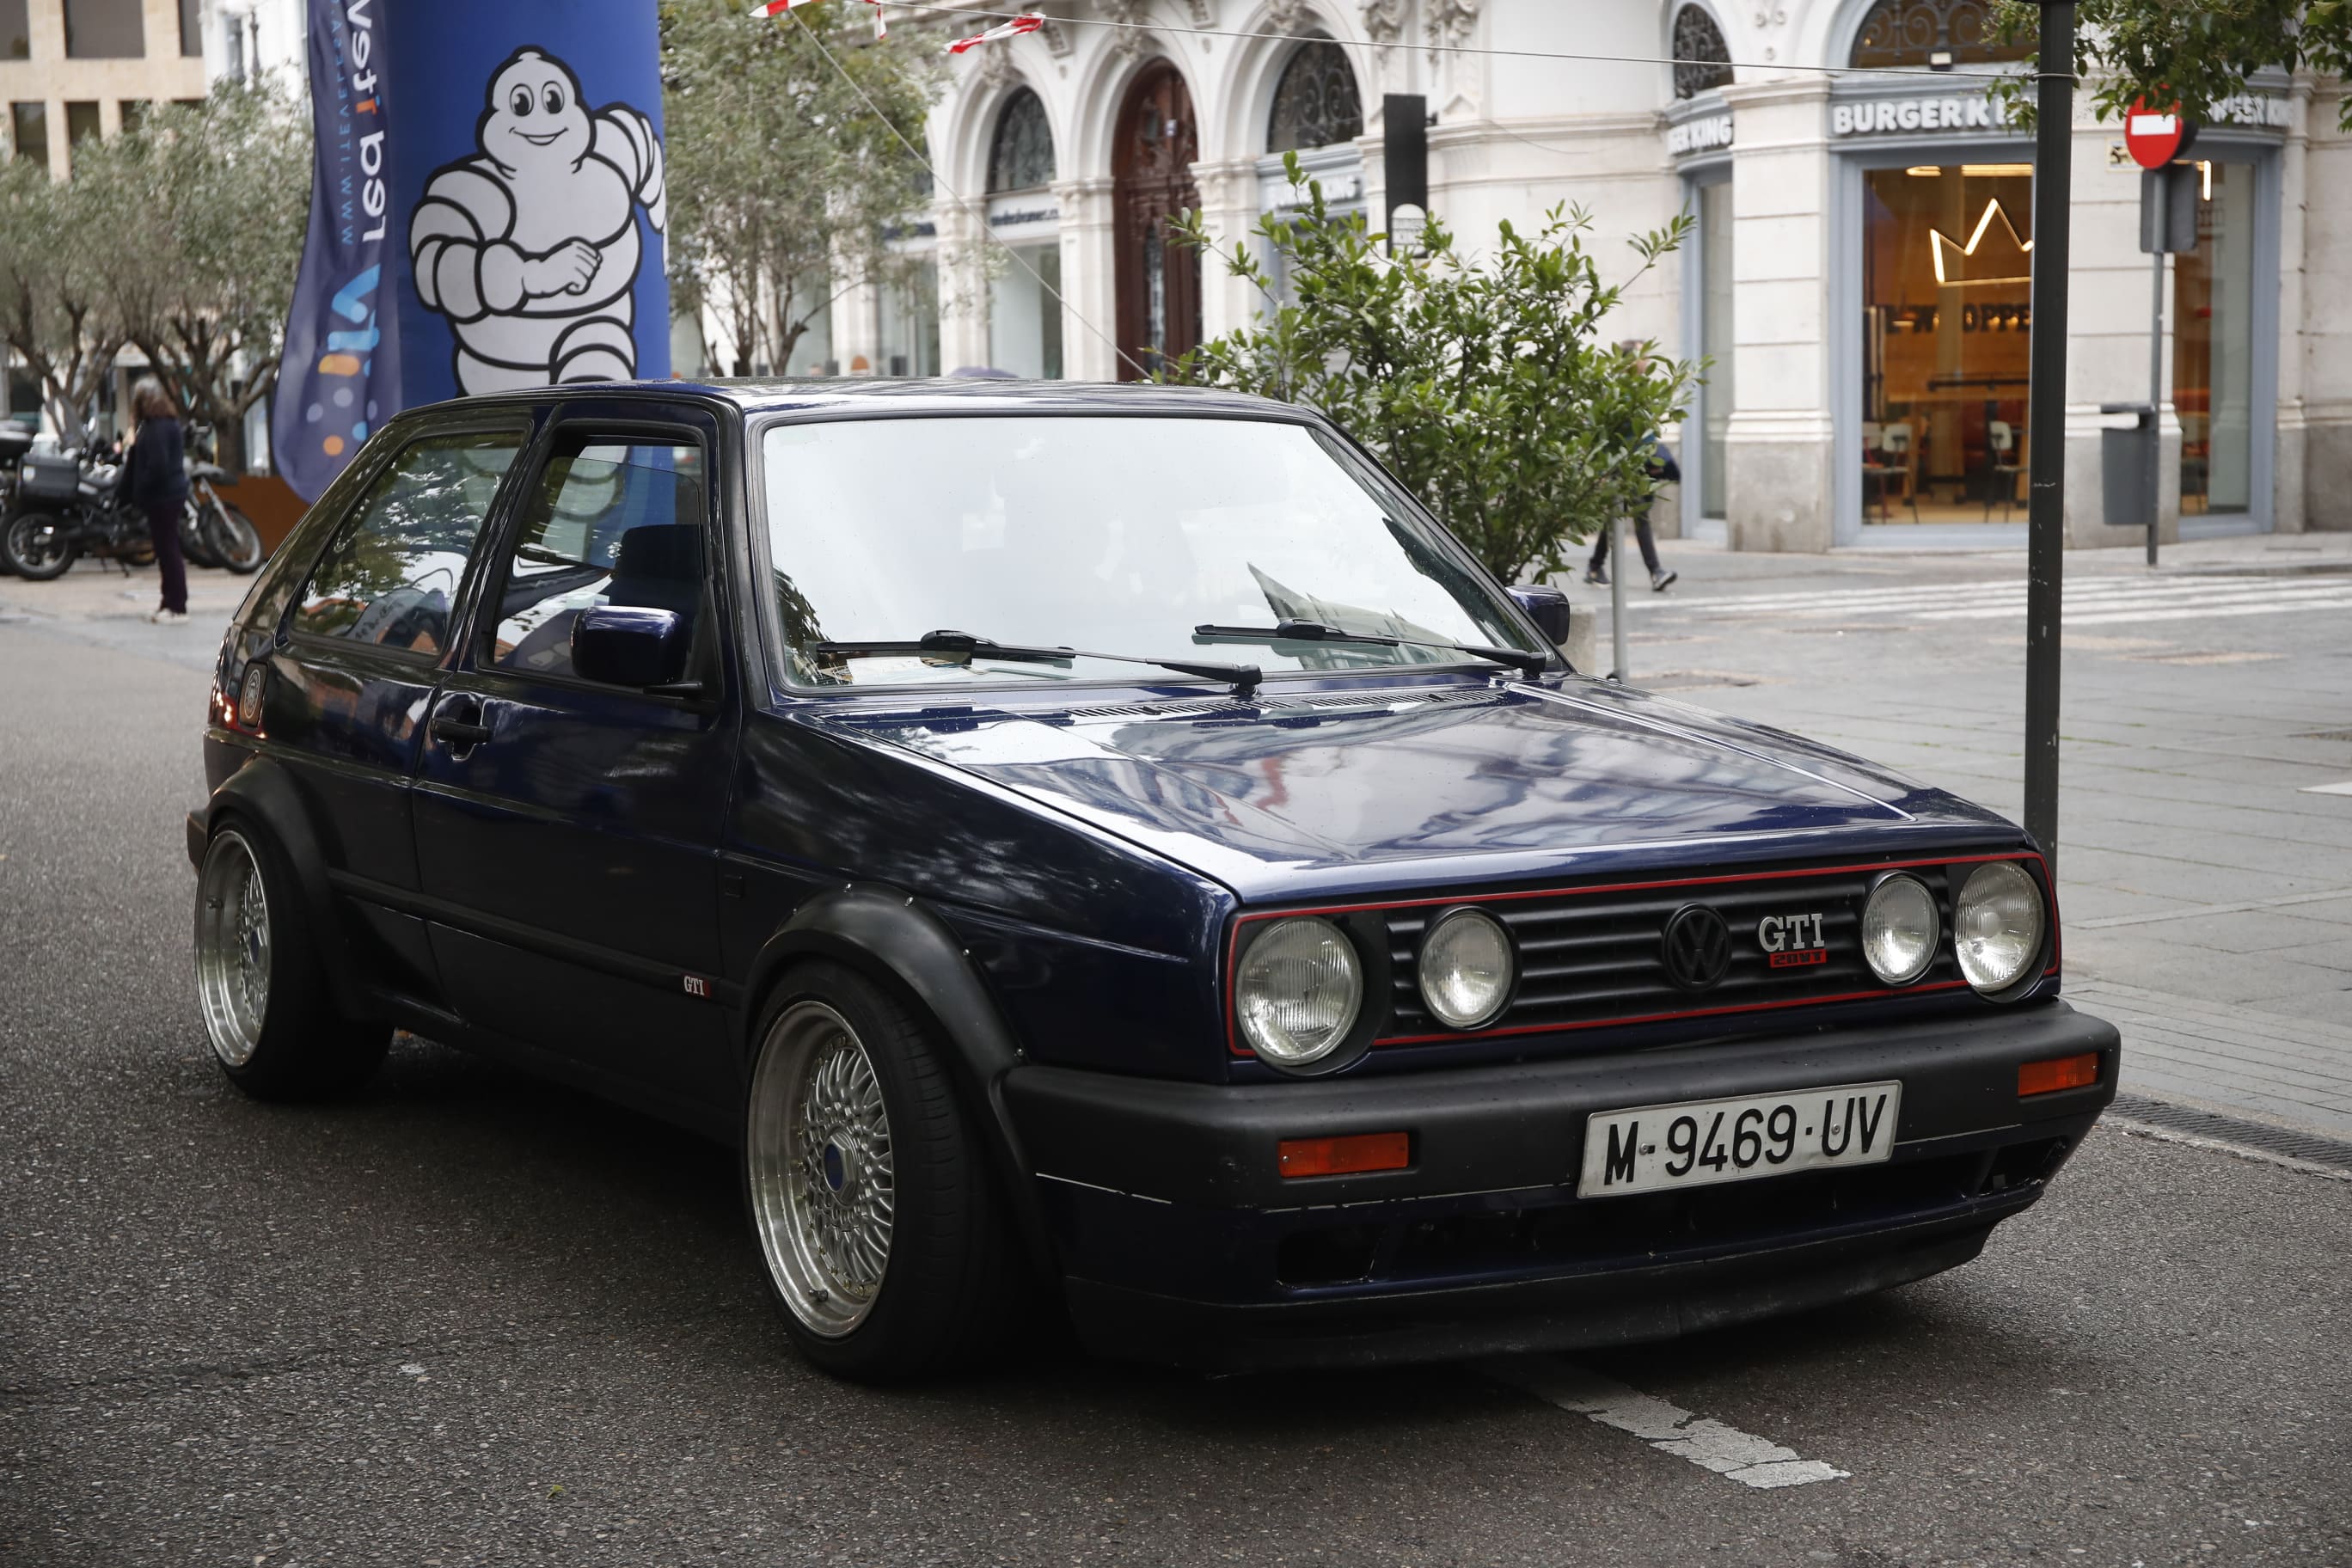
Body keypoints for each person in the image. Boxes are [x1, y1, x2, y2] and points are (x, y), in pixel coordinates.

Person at [1585, 341, 1680, 593]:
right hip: (1622, 466)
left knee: (1616, 517)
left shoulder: (1643, 391)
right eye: (1642, 356)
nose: (1647, 361)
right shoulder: (1616, 393)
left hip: (1641, 465)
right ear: (1629, 361)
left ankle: (1595, 566)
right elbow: (1604, 432)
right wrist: (1602, 470)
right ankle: (1655, 572)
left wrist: (1654, 462)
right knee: (1638, 515)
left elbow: (1646, 432)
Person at [126, 377, 191, 625]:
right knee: (166, 551)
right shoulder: (165, 423)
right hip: (169, 494)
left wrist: (142, 486)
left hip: (163, 496)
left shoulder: (156, 427)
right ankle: (169, 602)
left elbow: (158, 465)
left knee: (168, 551)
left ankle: (177, 606)